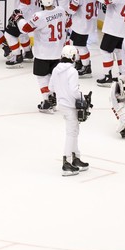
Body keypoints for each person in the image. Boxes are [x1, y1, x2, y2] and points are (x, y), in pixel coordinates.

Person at [49, 43, 91, 175]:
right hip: (71, 105)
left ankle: (76, 158)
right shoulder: (72, 71)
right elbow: (74, 90)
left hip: (62, 105)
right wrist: (82, 98)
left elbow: (51, 88)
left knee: (74, 131)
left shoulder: (56, 69)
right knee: (71, 133)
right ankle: (66, 162)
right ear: (72, 57)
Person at [4, 0, 37, 65]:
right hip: (33, 10)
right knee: (22, 33)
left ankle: (17, 55)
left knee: (9, 34)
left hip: (25, 13)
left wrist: (18, 14)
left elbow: (25, 2)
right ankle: (27, 52)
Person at [68, 0, 98, 77]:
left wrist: (69, 4)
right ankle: (79, 61)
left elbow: (72, 9)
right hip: (89, 22)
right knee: (75, 42)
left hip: (80, 24)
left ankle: (87, 67)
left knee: (80, 46)